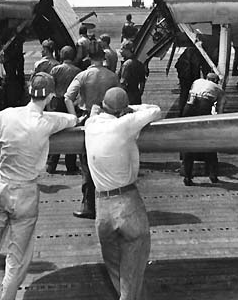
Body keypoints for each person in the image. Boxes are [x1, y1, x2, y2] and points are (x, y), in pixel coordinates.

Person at [0, 72, 77, 300]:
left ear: (29, 92)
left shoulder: (7, 115)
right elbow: (73, 121)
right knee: (17, 258)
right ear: (49, 97)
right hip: (25, 193)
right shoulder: (48, 121)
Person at [85, 87, 161, 300]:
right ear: (122, 111)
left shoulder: (90, 125)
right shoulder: (124, 125)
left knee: (118, 274)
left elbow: (94, 115)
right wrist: (131, 109)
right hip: (127, 204)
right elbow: (155, 110)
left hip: (102, 208)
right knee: (133, 273)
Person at [65, 40, 119, 219]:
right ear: (103, 57)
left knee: (87, 165)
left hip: (89, 120)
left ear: (88, 57)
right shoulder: (112, 76)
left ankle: (88, 205)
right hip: (108, 120)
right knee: (108, 162)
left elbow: (67, 97)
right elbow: (119, 98)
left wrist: (74, 117)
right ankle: (110, 204)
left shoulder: (82, 76)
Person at [181, 73, 226, 186]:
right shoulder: (219, 90)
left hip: (189, 108)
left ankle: (187, 176)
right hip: (203, 107)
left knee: (188, 142)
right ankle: (213, 175)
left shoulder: (197, 81)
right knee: (208, 141)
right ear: (216, 81)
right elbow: (219, 111)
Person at [47, 46, 81, 174]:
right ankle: (70, 165)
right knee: (71, 133)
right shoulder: (78, 71)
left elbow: (50, 87)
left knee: (55, 132)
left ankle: (51, 164)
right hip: (71, 103)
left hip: (57, 103)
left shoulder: (55, 70)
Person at [174, 47, 210, 116]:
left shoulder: (189, 52)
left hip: (184, 75)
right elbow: (198, 67)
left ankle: (182, 111)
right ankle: (185, 111)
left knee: (184, 93)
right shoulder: (196, 53)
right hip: (188, 76)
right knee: (187, 93)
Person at [119, 40, 147, 105]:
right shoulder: (139, 63)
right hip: (136, 95)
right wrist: (139, 93)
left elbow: (123, 82)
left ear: (127, 50)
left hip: (127, 96)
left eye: (122, 49)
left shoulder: (126, 65)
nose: (120, 51)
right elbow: (142, 82)